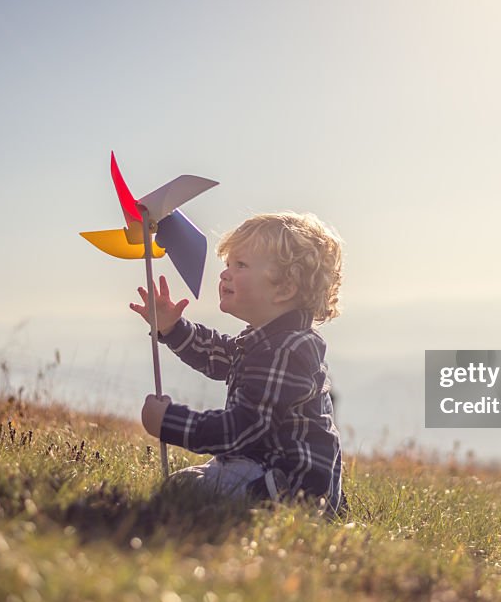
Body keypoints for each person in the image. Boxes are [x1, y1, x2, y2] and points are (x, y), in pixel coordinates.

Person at [131, 212, 345, 515]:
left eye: (240, 265)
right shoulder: (268, 340)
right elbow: (219, 355)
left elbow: (241, 429)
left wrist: (170, 423)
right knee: (185, 485)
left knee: (185, 490)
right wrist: (173, 328)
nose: (224, 274)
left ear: (284, 289)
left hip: (289, 487)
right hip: (264, 464)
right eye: (227, 264)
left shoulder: (288, 351)